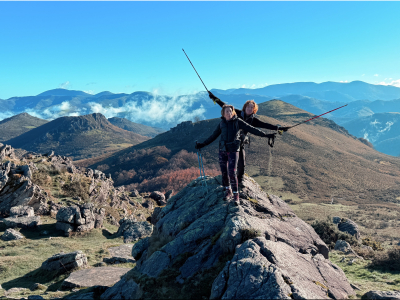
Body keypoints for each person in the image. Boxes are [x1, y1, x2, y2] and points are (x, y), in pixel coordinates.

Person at [195, 104, 276, 202]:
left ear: (233, 112)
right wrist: (202, 144)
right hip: (223, 150)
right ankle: (227, 190)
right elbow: (213, 136)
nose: (229, 113)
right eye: (226, 112)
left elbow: (252, 129)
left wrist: (266, 135)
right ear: (223, 114)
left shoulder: (238, 122)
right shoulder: (221, 124)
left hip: (233, 150)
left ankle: (235, 194)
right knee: (224, 172)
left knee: (232, 172)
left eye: (230, 111)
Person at [208, 92, 290, 186]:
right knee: (230, 164)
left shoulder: (253, 120)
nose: (249, 109)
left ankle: (240, 180)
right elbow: (224, 105)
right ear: (244, 107)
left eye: (252, 107)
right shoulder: (237, 113)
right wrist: (213, 97)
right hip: (230, 144)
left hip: (240, 143)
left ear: (254, 110)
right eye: (248, 107)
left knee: (242, 164)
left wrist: (280, 128)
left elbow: (266, 125)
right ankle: (228, 184)